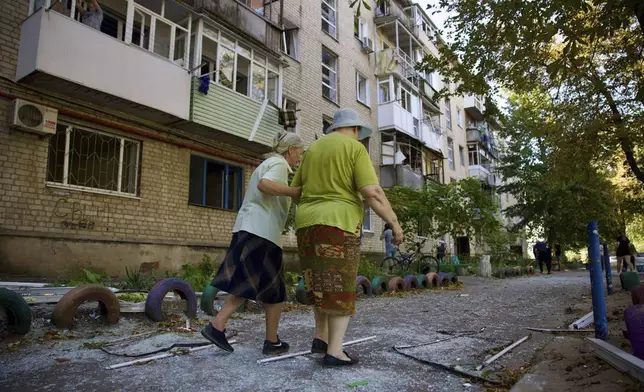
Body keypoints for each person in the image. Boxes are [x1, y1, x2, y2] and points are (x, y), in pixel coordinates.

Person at [292, 108, 403, 367]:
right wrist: (394, 223)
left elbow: (297, 190)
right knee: (340, 287)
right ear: (354, 130)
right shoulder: (354, 149)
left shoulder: (313, 149)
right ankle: (335, 351)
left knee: (319, 284)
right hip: (338, 225)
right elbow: (371, 192)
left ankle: (320, 339)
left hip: (306, 224)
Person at [200, 132, 305, 355]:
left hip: (261, 232)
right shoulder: (278, 164)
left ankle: (272, 341)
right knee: (246, 281)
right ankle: (217, 326)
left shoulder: (269, 163)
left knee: (274, 291)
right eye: (300, 153)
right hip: (260, 232)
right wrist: (295, 192)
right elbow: (266, 186)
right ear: (290, 151)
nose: (300, 158)